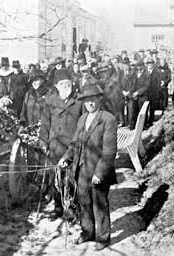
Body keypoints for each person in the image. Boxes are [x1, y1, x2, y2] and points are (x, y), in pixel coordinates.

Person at [58, 83, 117, 251]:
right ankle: (87, 232)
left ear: (99, 99)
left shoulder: (108, 119)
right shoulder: (83, 118)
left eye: (93, 100)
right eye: (87, 100)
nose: (90, 103)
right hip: (81, 170)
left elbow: (109, 151)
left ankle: (103, 237)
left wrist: (100, 173)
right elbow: (75, 143)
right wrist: (65, 158)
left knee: (100, 206)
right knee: (84, 203)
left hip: (98, 171)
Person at [39, 68, 83, 220]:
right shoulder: (50, 101)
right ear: (56, 86)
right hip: (54, 147)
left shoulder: (79, 101)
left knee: (71, 180)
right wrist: (43, 141)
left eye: (68, 83)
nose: (66, 86)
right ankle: (57, 208)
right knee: (56, 179)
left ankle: (72, 209)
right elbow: (44, 124)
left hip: (72, 149)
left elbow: (83, 128)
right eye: (62, 84)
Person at [119, 58, 138, 129]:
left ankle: (131, 124)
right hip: (122, 94)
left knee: (131, 110)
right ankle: (122, 122)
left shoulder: (133, 73)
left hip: (130, 94)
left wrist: (129, 92)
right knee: (121, 109)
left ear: (129, 65)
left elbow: (134, 84)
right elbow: (118, 83)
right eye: (124, 64)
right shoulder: (120, 72)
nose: (125, 66)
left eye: (127, 64)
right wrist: (122, 91)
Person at [132, 60, 150, 127]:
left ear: (143, 66)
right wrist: (133, 92)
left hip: (143, 96)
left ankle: (143, 126)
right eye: (138, 66)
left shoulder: (147, 74)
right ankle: (134, 125)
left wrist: (138, 92)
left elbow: (146, 86)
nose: (139, 68)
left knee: (142, 112)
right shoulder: (135, 73)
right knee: (134, 111)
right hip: (135, 96)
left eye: (140, 66)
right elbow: (132, 84)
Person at [145, 58, 161, 127]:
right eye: (148, 64)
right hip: (145, 94)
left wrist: (157, 93)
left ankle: (150, 122)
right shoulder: (145, 72)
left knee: (152, 109)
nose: (150, 65)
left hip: (153, 94)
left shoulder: (157, 73)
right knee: (145, 108)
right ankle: (145, 123)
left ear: (153, 64)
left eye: (151, 64)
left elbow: (158, 84)